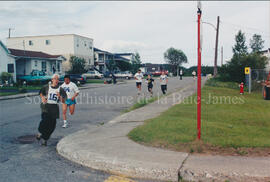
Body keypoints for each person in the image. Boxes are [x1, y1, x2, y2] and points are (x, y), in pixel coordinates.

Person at [36, 74, 66, 146]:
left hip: (54, 108)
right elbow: (41, 93)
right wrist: (43, 97)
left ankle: (44, 139)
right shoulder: (46, 87)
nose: (56, 80)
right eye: (55, 79)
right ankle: (40, 132)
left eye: (58, 79)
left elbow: (64, 100)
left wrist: (60, 97)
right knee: (45, 121)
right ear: (52, 80)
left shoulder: (60, 89)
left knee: (52, 125)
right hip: (46, 106)